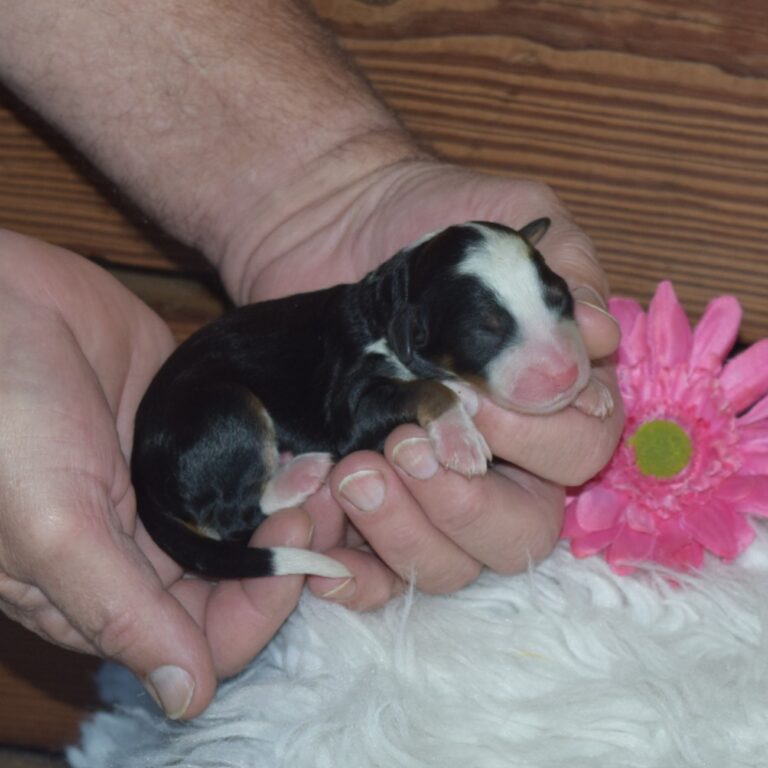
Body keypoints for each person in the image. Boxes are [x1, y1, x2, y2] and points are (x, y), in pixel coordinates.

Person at [0, 1, 623, 720]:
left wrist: (332, 189)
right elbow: (369, 409)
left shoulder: (403, 316)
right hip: (200, 439)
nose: (560, 361)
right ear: (419, 334)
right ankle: (246, 509)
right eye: (494, 334)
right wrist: (440, 405)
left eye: (555, 304)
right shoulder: (388, 346)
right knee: (245, 423)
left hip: (235, 413)